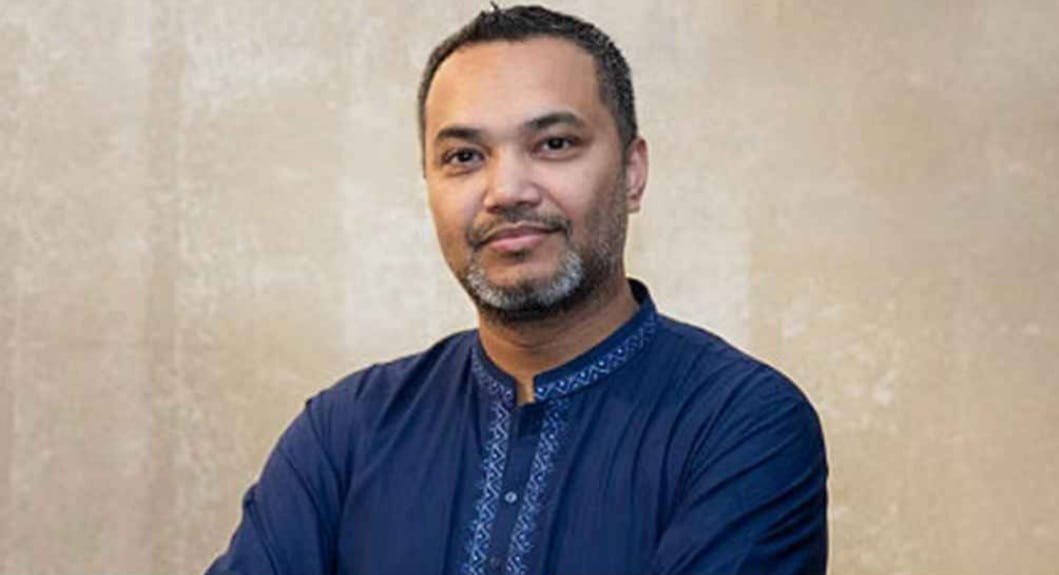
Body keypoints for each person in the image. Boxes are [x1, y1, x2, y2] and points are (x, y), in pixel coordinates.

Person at [206, 4, 828, 574]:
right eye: (464, 157)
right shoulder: (346, 431)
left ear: (632, 174)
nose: (506, 191)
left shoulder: (741, 423)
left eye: (554, 145)